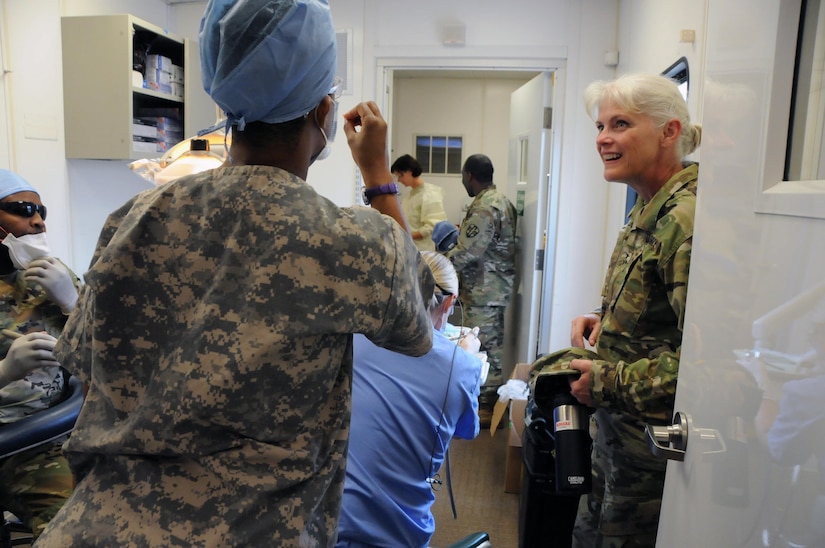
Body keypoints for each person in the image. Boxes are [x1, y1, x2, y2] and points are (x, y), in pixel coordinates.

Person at [36, 1, 434, 546]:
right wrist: (377, 175)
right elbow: (420, 318)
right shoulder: (349, 241)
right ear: (322, 108)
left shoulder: (131, 219)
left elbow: (84, 364)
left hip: (93, 528)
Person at [567, 72, 701, 547]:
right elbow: (661, 316)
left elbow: (708, 366)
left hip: (650, 466)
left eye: (620, 124)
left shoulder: (685, 221)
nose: (603, 139)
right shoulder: (648, 208)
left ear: (669, 131)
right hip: (616, 448)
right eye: (600, 126)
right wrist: (609, 323)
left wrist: (605, 379)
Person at [336, 251, 483, 548]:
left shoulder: (353, 334)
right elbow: (467, 430)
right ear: (449, 303)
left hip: (325, 522)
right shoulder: (460, 366)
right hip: (397, 536)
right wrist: (465, 356)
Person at [0, 169, 80, 540]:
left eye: (41, 211)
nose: (37, 221)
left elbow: (117, 358)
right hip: (21, 447)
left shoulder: (52, 275)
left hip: (77, 428)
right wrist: (5, 371)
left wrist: (74, 304)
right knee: (80, 527)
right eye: (23, 209)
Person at [446, 153, 517, 427]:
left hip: (484, 290)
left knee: (484, 348)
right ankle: (486, 404)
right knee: (491, 346)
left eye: (463, 176)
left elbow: (467, 251)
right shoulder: (501, 201)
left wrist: (434, 268)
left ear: (470, 176)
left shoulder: (485, 207)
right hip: (493, 288)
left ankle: (486, 408)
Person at [391, 154, 448, 251]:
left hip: (423, 251)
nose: (399, 180)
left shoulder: (430, 194)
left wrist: (408, 235)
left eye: (400, 176)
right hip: (408, 248)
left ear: (409, 171)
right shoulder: (408, 196)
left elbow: (433, 226)